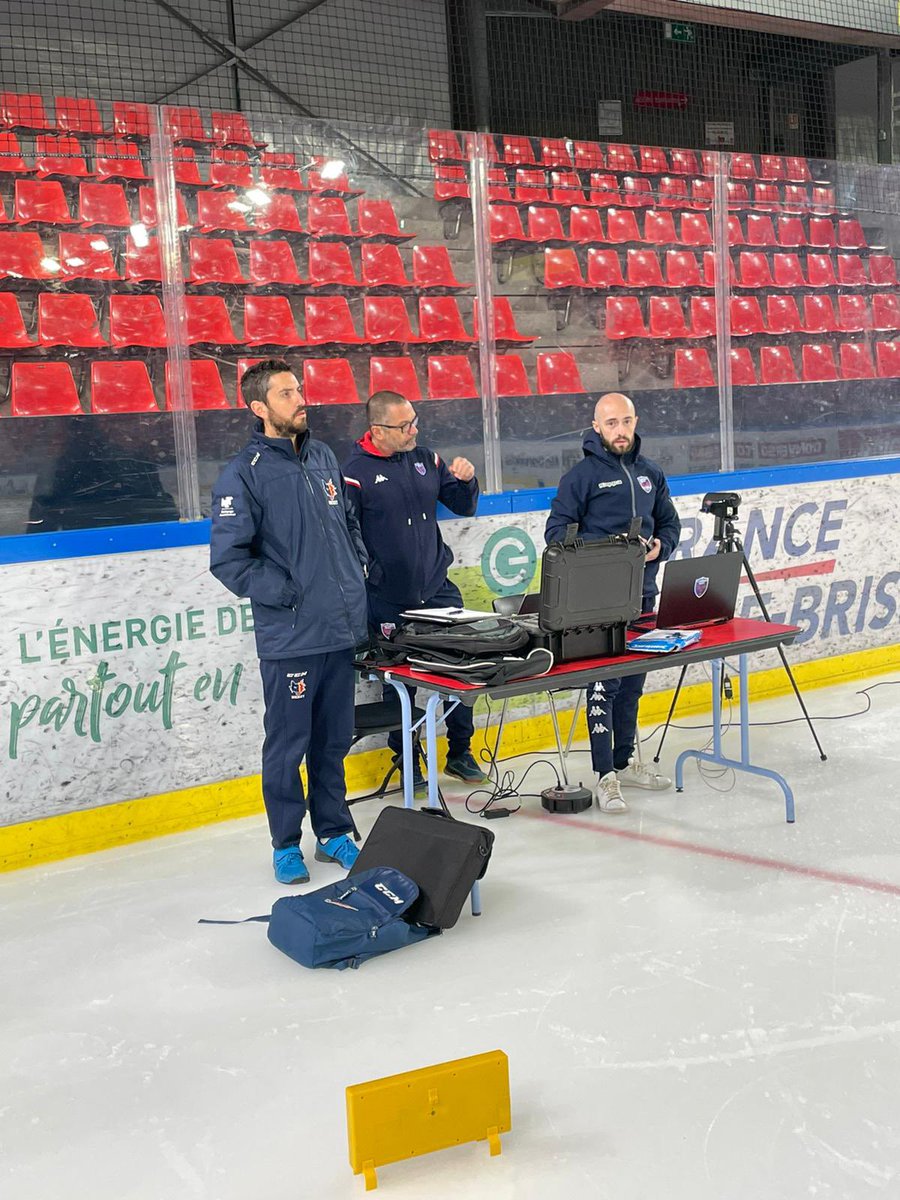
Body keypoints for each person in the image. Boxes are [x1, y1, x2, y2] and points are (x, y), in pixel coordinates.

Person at [209, 359, 368, 884]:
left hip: (340, 630)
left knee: (333, 740)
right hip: (292, 637)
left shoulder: (321, 454)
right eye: (285, 393)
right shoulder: (242, 475)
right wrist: (289, 593)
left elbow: (345, 521)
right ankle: (284, 843)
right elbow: (229, 560)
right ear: (259, 408)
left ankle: (334, 833)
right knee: (288, 744)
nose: (300, 399)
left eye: (298, 389)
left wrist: (356, 566)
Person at [342, 391, 487, 792]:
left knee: (464, 668)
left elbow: (462, 505)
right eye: (404, 426)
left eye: (414, 421)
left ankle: (460, 751)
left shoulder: (426, 459)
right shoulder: (353, 472)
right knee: (399, 685)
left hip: (438, 589)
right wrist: (369, 577)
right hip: (388, 597)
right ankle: (409, 760)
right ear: (378, 430)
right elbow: (345, 536)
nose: (414, 431)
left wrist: (466, 479)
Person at [545, 392, 681, 814]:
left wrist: (661, 546)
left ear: (635, 421)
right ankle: (605, 775)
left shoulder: (650, 473)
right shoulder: (581, 477)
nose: (620, 431)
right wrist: (611, 550)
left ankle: (624, 762)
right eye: (611, 424)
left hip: (642, 597)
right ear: (596, 426)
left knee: (632, 687)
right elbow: (556, 533)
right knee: (604, 686)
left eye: (625, 422)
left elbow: (671, 523)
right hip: (596, 607)